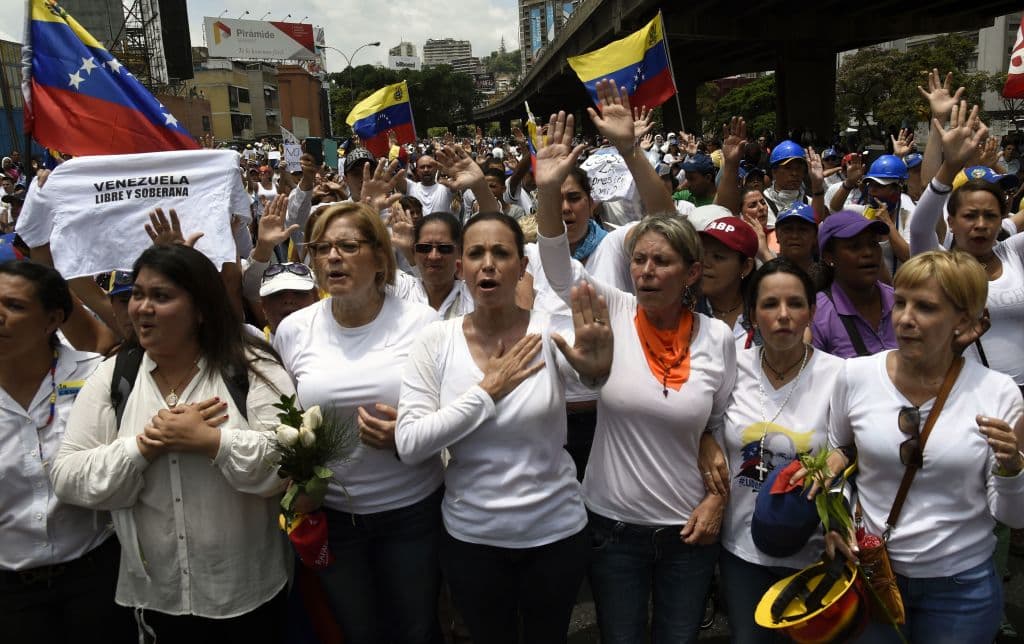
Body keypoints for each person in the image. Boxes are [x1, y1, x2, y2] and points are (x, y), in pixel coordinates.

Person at [534, 88, 736, 643]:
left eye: (661, 261)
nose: (645, 271)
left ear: (691, 275)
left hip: (689, 531)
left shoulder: (717, 339)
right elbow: (555, 266)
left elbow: (723, 428)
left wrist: (717, 494)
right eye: (638, 260)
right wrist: (549, 191)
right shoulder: (614, 309)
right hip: (612, 529)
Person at [52, 244, 295, 641]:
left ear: (200, 309)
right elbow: (68, 476)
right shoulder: (113, 377)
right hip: (156, 598)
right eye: (137, 295)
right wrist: (146, 445)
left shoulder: (253, 369)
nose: (141, 308)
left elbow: (287, 462)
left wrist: (213, 442)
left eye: (161, 297)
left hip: (246, 593)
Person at [395, 211, 611, 644]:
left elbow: (591, 376)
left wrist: (597, 373)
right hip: (472, 538)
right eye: (475, 253)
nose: (487, 263)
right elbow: (410, 443)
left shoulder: (550, 333)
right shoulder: (435, 341)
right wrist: (485, 392)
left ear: (522, 267)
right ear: (461, 268)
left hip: (555, 534)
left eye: (501, 253)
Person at [810, 250, 1024, 643]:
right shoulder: (855, 376)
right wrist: (837, 524)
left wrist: (1012, 467)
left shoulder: (998, 393)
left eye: (926, 307)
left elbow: (1014, 515)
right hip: (874, 575)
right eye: (901, 302)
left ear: (964, 319)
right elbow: (837, 454)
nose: (906, 318)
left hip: (961, 590)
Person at [273, 201, 444, 644]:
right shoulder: (293, 330)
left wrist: (406, 436)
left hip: (413, 512)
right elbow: (284, 414)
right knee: (357, 632)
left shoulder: (422, 324)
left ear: (380, 257)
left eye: (347, 246)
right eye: (321, 247)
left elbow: (450, 414)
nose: (332, 257)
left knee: (415, 630)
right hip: (334, 518)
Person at [700, 258, 845, 643]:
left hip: (813, 550)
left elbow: (852, 451)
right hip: (741, 548)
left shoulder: (839, 376)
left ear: (812, 311)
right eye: (769, 305)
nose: (783, 315)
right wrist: (704, 441)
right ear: (752, 314)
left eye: (796, 304)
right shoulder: (732, 366)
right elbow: (705, 421)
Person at [0, 260, 134, 644]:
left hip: (97, 580)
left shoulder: (98, 376)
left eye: (15, 306)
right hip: (9, 596)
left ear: (52, 320)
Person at [909, 101, 1024, 392]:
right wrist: (949, 165)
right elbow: (920, 225)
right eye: (970, 216)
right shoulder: (939, 263)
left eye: (990, 216)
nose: (981, 224)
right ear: (951, 221)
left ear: (1003, 221)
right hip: (964, 396)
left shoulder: (1012, 251)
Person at [812, 210, 896, 358]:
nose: (868, 253)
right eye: (855, 246)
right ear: (828, 256)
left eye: (873, 243)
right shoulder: (817, 315)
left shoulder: (900, 302)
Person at [695, 216, 758, 349]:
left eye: (718, 257)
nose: (705, 263)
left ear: (746, 267)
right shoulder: (682, 311)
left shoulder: (765, 315)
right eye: (701, 254)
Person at [774, 202, 826, 291]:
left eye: (803, 229)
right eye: (788, 229)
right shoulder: (764, 274)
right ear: (777, 235)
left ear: (815, 236)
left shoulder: (828, 276)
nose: (795, 236)